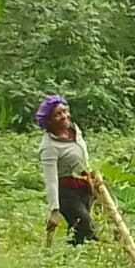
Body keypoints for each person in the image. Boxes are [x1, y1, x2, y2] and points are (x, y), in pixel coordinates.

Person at [35, 95, 96, 246]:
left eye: (64, 111)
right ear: (49, 121)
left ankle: (73, 258)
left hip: (83, 187)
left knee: (78, 229)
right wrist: (54, 211)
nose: (64, 116)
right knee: (86, 226)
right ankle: (83, 252)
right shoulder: (49, 147)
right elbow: (51, 180)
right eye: (58, 114)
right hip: (66, 193)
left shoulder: (74, 130)